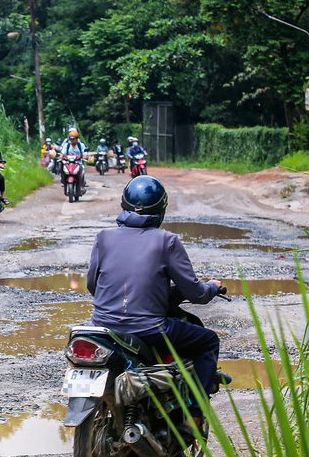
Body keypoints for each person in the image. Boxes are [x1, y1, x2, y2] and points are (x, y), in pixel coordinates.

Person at [86, 176, 223, 432]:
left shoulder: (103, 237)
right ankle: (193, 417)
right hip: (149, 330)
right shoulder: (167, 241)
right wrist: (213, 287)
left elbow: (92, 285)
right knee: (209, 342)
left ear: (123, 204)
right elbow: (195, 293)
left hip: (104, 329)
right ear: (161, 209)